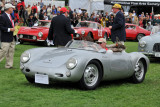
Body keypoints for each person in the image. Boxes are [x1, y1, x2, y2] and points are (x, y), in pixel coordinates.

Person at [0, 3, 16, 69]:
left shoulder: (10, 16)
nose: (13, 9)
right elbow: (1, 27)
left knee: (11, 51)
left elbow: (10, 24)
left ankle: (9, 65)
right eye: (12, 8)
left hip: (11, 36)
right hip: (5, 36)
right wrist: (10, 29)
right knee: (3, 51)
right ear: (9, 9)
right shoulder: (2, 16)